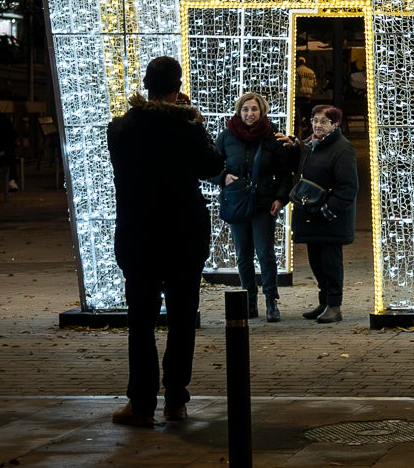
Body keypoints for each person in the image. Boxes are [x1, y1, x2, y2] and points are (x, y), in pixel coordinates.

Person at [106, 55, 223, 427]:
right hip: (182, 236)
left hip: (138, 235)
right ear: (178, 87)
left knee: (140, 321)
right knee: (182, 318)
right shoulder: (186, 128)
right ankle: (176, 400)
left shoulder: (121, 129)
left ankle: (141, 403)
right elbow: (213, 166)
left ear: (146, 84)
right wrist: (193, 119)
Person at [215, 92, 295, 322]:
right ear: (239, 112)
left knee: (265, 253)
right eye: (245, 109)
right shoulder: (227, 136)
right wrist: (223, 177)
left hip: (263, 204)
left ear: (262, 112)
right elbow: (209, 165)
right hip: (238, 204)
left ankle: (271, 300)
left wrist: (280, 199)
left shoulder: (272, 137)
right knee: (243, 254)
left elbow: (284, 173)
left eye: (254, 109)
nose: (250, 114)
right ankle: (249, 301)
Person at [290, 104, 359, 324]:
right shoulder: (311, 145)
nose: (317, 125)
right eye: (314, 120)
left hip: (329, 217)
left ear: (335, 124)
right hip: (311, 212)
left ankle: (334, 305)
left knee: (330, 262)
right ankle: (324, 301)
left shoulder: (342, 148)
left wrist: (329, 209)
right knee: (316, 261)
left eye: (323, 121)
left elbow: (348, 187)